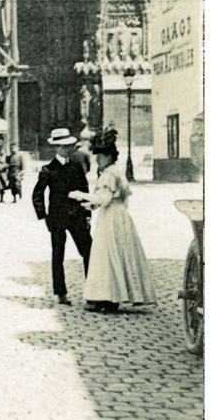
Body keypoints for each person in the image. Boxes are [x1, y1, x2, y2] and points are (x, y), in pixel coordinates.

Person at [74, 129, 155, 312]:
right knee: (116, 254)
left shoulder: (109, 174)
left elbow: (102, 198)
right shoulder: (116, 172)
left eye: (101, 156)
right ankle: (107, 296)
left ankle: (109, 298)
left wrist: (81, 196)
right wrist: (93, 206)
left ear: (109, 156)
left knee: (108, 254)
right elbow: (120, 198)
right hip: (118, 214)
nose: (98, 160)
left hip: (111, 217)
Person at [31, 127, 92, 306]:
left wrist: (87, 214)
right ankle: (61, 293)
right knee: (58, 255)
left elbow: (85, 190)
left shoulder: (76, 166)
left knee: (89, 251)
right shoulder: (48, 169)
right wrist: (44, 217)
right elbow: (37, 194)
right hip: (57, 219)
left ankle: (92, 291)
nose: (67, 149)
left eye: (69, 146)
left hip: (77, 216)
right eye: (63, 146)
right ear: (56, 147)